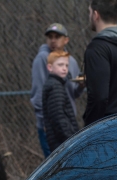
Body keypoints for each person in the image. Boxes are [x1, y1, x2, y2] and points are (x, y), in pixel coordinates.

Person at [31, 23, 84, 157]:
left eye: (57, 37)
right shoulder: (43, 59)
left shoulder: (70, 60)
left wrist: (82, 85)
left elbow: (74, 93)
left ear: (66, 40)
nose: (53, 40)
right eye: (50, 37)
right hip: (51, 124)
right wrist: (44, 122)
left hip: (67, 123)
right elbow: (38, 95)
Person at [42, 51, 79, 152]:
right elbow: (58, 117)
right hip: (62, 142)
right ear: (50, 67)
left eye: (66, 65)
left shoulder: (58, 85)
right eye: (60, 65)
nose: (64, 68)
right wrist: (70, 138)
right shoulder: (55, 87)